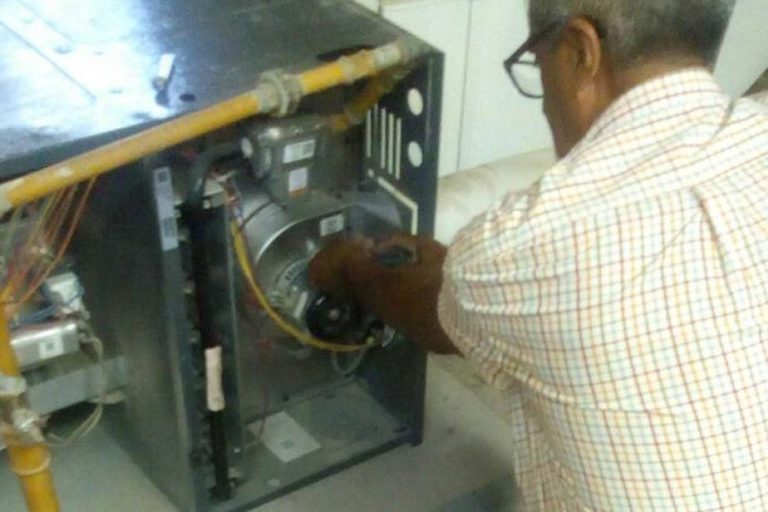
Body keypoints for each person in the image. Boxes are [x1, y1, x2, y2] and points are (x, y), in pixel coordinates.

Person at [310, 0, 768, 509]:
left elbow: (436, 317)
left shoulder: (527, 242)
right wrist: (448, 264)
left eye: (538, 62)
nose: (546, 105)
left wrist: (349, 268)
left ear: (580, 51)